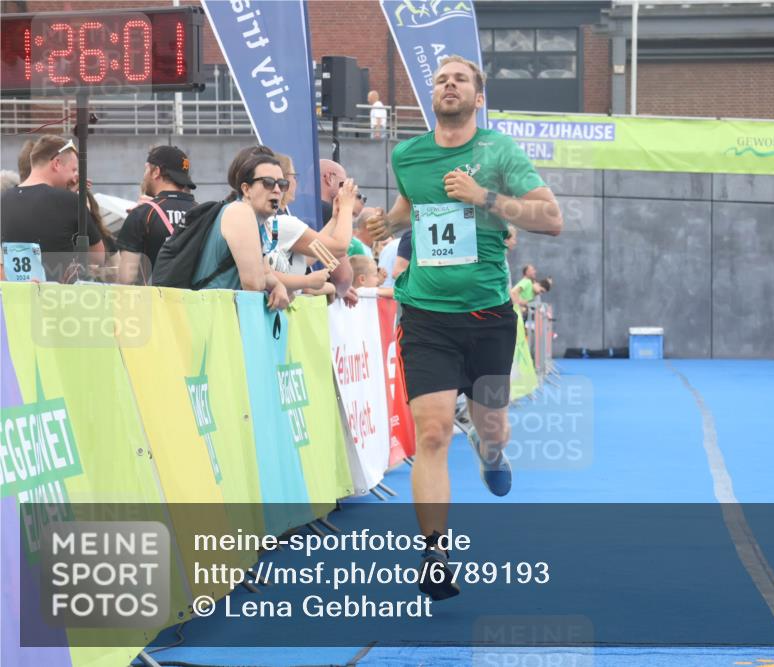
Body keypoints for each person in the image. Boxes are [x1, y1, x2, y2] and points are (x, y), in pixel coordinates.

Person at [366, 55, 562, 601]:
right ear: (431, 95)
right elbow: (413, 204)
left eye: (460, 80)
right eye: (439, 79)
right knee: (431, 432)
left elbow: (552, 218)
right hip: (426, 316)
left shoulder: (499, 152)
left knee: (493, 426)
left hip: (488, 317)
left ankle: (491, 451)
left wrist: (484, 199)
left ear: (478, 98)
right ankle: (434, 551)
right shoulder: (408, 153)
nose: (447, 85)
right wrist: (388, 220)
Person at [188, 146, 291, 311]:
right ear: (246, 189)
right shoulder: (240, 212)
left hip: (219, 317)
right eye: (268, 182)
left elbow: (265, 274)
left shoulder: (252, 219)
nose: (277, 190)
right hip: (213, 319)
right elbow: (254, 284)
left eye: (282, 183)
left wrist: (278, 285)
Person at [1, 136, 104, 270]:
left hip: (14, 289)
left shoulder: (4, 200)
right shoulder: (70, 201)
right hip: (58, 289)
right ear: (56, 164)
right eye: (73, 170)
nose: (75, 177)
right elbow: (98, 258)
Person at [266, 150, 357, 300]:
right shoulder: (284, 222)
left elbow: (311, 254)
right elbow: (339, 248)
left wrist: (334, 219)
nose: (296, 182)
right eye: (294, 177)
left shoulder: (275, 221)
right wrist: (346, 208)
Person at [117, 146, 198, 284]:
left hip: (155, 302)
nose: (144, 175)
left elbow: (126, 279)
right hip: (196, 302)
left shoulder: (142, 214)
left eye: (146, 169)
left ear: (156, 172)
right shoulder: (203, 212)